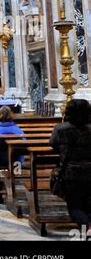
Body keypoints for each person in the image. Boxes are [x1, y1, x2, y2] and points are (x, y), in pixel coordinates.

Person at [49, 99, 91, 231]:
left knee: (75, 206)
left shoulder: (61, 129)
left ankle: (88, 228)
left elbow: (53, 144)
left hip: (71, 173)